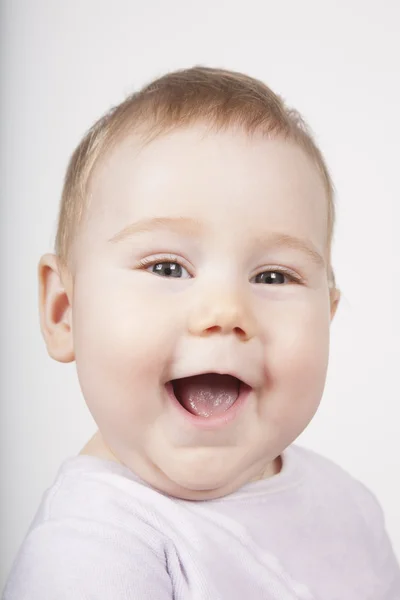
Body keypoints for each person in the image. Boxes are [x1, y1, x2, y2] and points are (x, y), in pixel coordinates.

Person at [3, 66, 400, 599]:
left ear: (326, 318)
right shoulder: (92, 552)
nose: (225, 310)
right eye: (167, 268)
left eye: (274, 276)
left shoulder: (348, 502)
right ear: (64, 311)